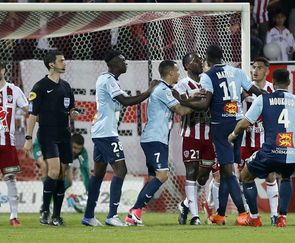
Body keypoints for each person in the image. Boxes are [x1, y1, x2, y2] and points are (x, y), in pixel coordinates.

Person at [228, 68, 295, 227]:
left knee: (246, 176)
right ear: (289, 82)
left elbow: (244, 123)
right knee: (286, 177)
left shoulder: (264, 99)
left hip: (269, 152)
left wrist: (232, 135)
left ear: (273, 83)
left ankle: (254, 217)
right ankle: (282, 218)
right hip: (291, 153)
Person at [82, 50, 158, 227]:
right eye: (123, 60)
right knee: (121, 170)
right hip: (107, 134)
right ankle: (112, 216)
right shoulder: (108, 80)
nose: (126, 63)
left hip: (102, 132)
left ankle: (88, 216)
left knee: (99, 173)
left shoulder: (110, 80)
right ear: (114, 62)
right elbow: (126, 102)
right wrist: (150, 90)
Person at [190, 45, 263, 225]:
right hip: (238, 123)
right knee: (225, 169)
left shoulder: (207, 76)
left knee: (229, 172)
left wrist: (183, 100)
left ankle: (243, 212)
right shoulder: (237, 72)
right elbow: (254, 91)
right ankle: (221, 213)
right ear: (222, 56)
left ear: (208, 59)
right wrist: (272, 98)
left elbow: (205, 103)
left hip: (220, 126)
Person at [125, 60, 196, 226]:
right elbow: (181, 110)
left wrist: (192, 99)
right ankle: (134, 211)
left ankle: (135, 214)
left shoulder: (166, 89)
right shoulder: (163, 89)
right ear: (171, 72)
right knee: (162, 176)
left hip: (156, 139)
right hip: (155, 139)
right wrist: (203, 103)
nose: (179, 74)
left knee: (154, 178)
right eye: (177, 71)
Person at [23, 50, 79, 226]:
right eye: (61, 60)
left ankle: (56, 215)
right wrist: (28, 137)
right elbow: (32, 115)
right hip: (47, 133)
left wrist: (73, 113)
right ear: (51, 64)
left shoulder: (66, 86)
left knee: (62, 172)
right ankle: (45, 210)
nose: (65, 62)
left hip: (64, 133)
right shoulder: (39, 86)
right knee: (53, 170)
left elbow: (71, 109)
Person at [174, 52, 218, 225]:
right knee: (191, 172)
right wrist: (194, 101)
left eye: (200, 59)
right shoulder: (181, 85)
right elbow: (179, 107)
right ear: (186, 66)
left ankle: (185, 205)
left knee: (203, 177)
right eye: (194, 60)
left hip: (210, 135)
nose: (199, 62)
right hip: (191, 133)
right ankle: (195, 216)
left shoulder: (209, 81)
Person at [240, 57, 279, 225]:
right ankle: (250, 214)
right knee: (244, 176)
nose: (255, 70)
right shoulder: (244, 88)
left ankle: (274, 214)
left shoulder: (272, 90)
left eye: (260, 68)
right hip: (245, 140)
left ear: (267, 71)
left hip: (265, 139)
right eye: (253, 67)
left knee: (270, 176)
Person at [0, 62, 28, 226]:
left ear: (3, 69)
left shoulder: (14, 90)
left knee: (10, 178)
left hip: (8, 145)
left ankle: (14, 216)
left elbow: (29, 110)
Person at [33, 133, 90, 213]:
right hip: (39, 145)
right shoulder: (61, 145)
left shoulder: (82, 152)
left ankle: (51, 199)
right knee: (45, 167)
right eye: (74, 147)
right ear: (69, 143)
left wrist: (89, 192)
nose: (76, 151)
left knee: (69, 182)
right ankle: (46, 204)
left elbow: (85, 171)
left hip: (58, 156)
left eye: (79, 149)